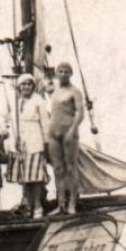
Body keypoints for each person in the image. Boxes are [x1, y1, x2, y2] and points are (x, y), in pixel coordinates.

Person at [46, 63, 87, 214]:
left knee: (70, 168)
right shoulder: (54, 91)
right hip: (53, 133)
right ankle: (60, 204)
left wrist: (73, 130)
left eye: (66, 72)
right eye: (60, 71)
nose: (63, 74)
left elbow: (80, 113)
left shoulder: (75, 92)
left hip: (69, 132)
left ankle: (72, 204)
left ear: (70, 74)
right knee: (57, 169)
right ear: (56, 73)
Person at [12, 73, 51, 217]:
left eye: (29, 84)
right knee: (24, 178)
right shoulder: (15, 100)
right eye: (23, 84)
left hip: (35, 141)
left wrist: (46, 142)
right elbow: (7, 119)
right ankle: (28, 205)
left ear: (33, 86)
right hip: (19, 143)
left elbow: (45, 123)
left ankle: (38, 206)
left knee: (35, 177)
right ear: (19, 86)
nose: (26, 87)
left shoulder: (38, 100)